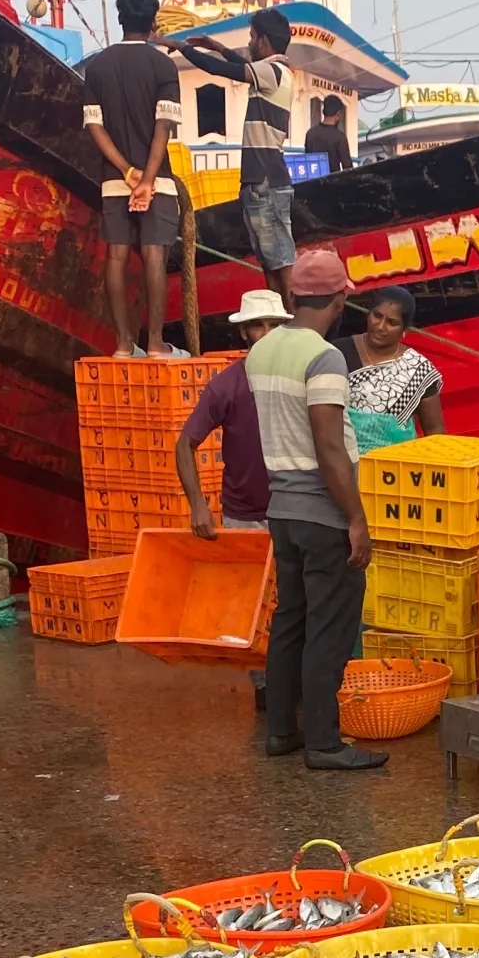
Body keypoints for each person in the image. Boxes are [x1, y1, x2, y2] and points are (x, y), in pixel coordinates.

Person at [245, 249, 386, 771]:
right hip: (323, 511)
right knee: (329, 628)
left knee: (291, 623)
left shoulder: (261, 351)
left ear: (292, 295)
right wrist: (355, 519)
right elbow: (329, 445)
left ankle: (282, 731)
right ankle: (325, 743)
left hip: (282, 508)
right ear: (341, 297)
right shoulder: (324, 356)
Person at [175, 289, 291, 711]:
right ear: (244, 332)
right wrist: (198, 506)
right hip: (245, 513)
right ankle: (265, 687)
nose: (263, 333)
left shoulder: (300, 376)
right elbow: (185, 443)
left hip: (295, 509)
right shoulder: (227, 384)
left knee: (297, 600)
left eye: (272, 325)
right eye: (256, 326)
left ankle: (294, 682)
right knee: (255, 606)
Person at [160, 10, 297, 311]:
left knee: (280, 264)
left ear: (263, 40)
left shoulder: (272, 72)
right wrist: (218, 47)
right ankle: (281, 323)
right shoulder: (277, 72)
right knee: (271, 263)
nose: (249, 42)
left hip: (264, 181)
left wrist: (184, 48)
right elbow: (241, 65)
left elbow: (222, 71)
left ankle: (292, 324)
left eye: (251, 37)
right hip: (262, 180)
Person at [83, 0, 183, 356]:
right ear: (152, 21)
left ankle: (124, 344)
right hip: (157, 182)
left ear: (120, 19)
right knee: (155, 255)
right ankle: (156, 343)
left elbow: (95, 126)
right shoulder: (163, 64)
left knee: (116, 256)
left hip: (114, 180)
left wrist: (127, 173)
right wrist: (148, 179)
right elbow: (163, 127)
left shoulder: (98, 66)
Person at [332, 285, 445, 451]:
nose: (380, 326)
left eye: (392, 323)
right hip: (342, 461)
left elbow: (435, 431)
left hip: (394, 466)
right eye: (377, 316)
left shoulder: (418, 369)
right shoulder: (337, 351)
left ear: (404, 330)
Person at [303, 96, 353, 174]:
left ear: (323, 111)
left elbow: (307, 160)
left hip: (313, 181)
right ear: (338, 113)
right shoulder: (340, 137)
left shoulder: (310, 133)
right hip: (333, 182)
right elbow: (347, 166)